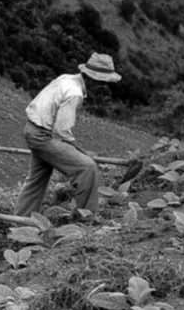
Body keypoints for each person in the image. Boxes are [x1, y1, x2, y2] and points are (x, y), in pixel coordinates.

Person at [13, 53, 121, 217]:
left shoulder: (67, 79)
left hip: (32, 128)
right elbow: (62, 130)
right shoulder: (74, 93)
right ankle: (86, 217)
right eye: (102, 82)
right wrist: (80, 152)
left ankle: (20, 219)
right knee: (87, 168)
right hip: (43, 136)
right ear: (91, 79)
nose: (103, 87)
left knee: (37, 179)